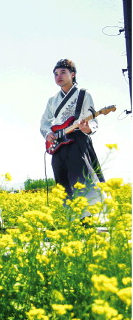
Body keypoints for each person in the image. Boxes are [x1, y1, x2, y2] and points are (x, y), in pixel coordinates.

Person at [40, 59, 105, 217]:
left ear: (73, 74)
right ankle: (69, 220)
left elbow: (93, 120)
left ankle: (87, 220)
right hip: (59, 144)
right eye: (56, 74)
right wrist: (48, 133)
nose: (58, 76)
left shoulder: (83, 94)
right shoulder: (52, 100)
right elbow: (44, 123)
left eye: (63, 72)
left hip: (77, 141)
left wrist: (87, 128)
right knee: (62, 184)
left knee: (82, 181)